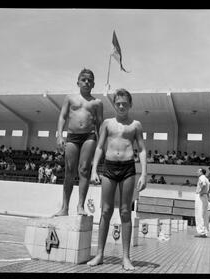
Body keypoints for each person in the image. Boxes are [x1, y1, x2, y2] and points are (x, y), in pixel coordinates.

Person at [86, 88, 147, 270]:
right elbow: (99, 147)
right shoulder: (107, 123)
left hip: (128, 167)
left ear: (130, 105)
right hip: (109, 167)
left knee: (126, 211)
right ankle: (99, 254)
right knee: (105, 211)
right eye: (118, 103)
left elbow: (142, 149)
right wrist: (93, 170)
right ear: (114, 104)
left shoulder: (135, 125)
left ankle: (126, 258)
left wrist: (144, 173)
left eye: (124, 103)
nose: (121, 106)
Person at [52, 69, 103, 216]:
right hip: (72, 136)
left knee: (84, 170)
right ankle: (65, 207)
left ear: (93, 84)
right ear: (78, 82)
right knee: (69, 170)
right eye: (84, 79)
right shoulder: (70, 98)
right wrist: (59, 135)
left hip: (89, 136)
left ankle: (80, 206)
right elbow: (62, 116)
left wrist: (101, 145)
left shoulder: (97, 103)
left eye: (89, 80)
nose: (86, 82)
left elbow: (99, 124)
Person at [195, 168, 210, 237]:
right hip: (205, 196)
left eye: (198, 171)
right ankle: (205, 231)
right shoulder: (206, 178)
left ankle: (201, 232)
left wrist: (201, 192)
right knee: (204, 215)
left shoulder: (202, 177)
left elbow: (203, 184)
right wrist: (205, 192)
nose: (197, 172)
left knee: (199, 214)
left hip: (201, 197)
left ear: (201, 172)